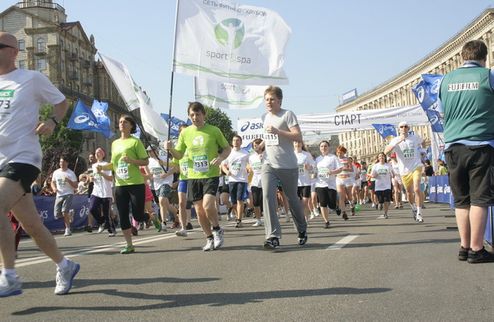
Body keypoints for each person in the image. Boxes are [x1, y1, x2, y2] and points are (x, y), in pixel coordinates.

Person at [0, 32, 79, 297]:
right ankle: (64, 265)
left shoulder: (31, 79)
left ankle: (9, 275)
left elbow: (61, 103)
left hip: (23, 156)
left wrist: (52, 123)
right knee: (32, 225)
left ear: (14, 51)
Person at [438, 39, 494, 263]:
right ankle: (477, 249)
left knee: (462, 200)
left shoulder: (445, 81)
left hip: (453, 146)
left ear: (462, 57)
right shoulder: (487, 76)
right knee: (480, 198)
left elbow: (443, 111)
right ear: (484, 57)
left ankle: (463, 246)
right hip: (480, 144)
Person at [166, 102, 231, 251]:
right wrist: (170, 149)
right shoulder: (185, 133)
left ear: (204, 115)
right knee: (199, 210)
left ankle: (217, 229)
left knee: (208, 205)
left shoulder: (214, 130)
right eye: (192, 115)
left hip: (210, 174)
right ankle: (209, 237)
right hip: (192, 176)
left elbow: (227, 148)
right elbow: (180, 154)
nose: (195, 117)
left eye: (198, 114)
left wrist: (221, 158)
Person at [260, 86, 308, 249]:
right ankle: (272, 236)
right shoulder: (265, 117)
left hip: (287, 166)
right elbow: (269, 138)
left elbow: (298, 137)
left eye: (272, 99)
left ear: (279, 100)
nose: (269, 102)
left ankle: (301, 229)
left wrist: (278, 131)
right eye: (266, 99)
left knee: (292, 199)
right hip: (269, 164)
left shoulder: (287, 114)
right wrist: (261, 145)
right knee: (267, 196)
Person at [97, 114, 152, 254]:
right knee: (122, 215)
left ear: (131, 126)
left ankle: (150, 217)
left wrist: (132, 161)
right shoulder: (115, 143)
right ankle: (129, 244)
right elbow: (114, 164)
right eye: (120, 122)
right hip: (120, 184)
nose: (121, 124)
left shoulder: (135, 142)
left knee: (138, 216)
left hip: (135, 183)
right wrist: (103, 167)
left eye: (125, 122)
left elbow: (145, 161)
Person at [384, 121, 425, 223]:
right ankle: (413, 208)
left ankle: (419, 213)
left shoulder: (414, 137)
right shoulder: (395, 140)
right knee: (409, 193)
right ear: (399, 129)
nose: (404, 128)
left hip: (416, 166)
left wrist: (423, 150)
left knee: (416, 189)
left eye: (406, 126)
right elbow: (386, 151)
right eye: (401, 127)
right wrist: (398, 142)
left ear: (408, 128)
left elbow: (423, 141)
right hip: (404, 170)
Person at [222, 135, 249, 228]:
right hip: (231, 180)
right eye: (234, 140)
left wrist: (249, 169)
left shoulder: (245, 153)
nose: (235, 142)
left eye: (238, 140)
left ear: (241, 142)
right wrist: (226, 171)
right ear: (232, 142)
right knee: (233, 201)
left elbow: (250, 164)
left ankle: (239, 219)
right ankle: (238, 215)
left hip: (242, 179)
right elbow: (223, 165)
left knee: (239, 199)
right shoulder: (228, 153)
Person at [314, 140, 343, 228]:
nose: (324, 148)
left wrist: (332, 172)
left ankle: (336, 206)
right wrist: (313, 173)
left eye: (325, 146)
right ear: (319, 148)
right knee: (323, 203)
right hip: (320, 184)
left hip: (331, 184)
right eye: (322, 146)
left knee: (331, 204)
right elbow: (314, 170)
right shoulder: (317, 159)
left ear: (328, 147)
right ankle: (326, 221)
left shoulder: (333, 157)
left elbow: (340, 169)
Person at [89, 147, 116, 237]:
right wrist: (92, 178)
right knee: (92, 208)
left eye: (100, 152)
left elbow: (110, 178)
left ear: (103, 154)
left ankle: (111, 230)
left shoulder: (107, 165)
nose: (97, 153)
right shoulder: (93, 165)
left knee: (106, 212)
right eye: (96, 152)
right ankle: (101, 222)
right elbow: (94, 176)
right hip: (96, 191)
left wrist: (101, 173)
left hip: (106, 192)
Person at [51, 156, 78, 236]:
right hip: (59, 194)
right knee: (56, 215)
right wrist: (54, 188)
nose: (61, 164)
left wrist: (69, 181)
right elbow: (53, 182)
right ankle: (69, 214)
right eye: (60, 162)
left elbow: (76, 186)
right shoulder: (56, 172)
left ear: (67, 163)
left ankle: (67, 229)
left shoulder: (70, 173)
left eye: (63, 162)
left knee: (64, 211)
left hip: (68, 193)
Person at [294, 140, 315, 222]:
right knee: (298, 203)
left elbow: (313, 166)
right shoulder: (291, 154)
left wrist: (309, 167)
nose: (297, 143)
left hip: (306, 182)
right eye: (296, 142)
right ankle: (302, 218)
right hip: (295, 182)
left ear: (301, 144)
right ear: (293, 144)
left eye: (299, 142)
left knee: (305, 202)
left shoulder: (307, 154)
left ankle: (305, 218)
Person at [371, 152, 395, 219]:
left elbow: (393, 174)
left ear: (385, 157)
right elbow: (372, 175)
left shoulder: (388, 165)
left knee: (387, 200)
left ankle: (385, 213)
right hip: (378, 186)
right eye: (380, 156)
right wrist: (374, 175)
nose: (381, 157)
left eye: (382, 156)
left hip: (387, 185)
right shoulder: (375, 166)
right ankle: (379, 203)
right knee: (381, 200)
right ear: (378, 158)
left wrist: (393, 175)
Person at [247, 138, 264, 227]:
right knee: (256, 201)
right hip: (255, 181)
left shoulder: (266, 155)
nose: (256, 147)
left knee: (265, 201)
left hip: (265, 180)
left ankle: (270, 218)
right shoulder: (251, 157)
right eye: (254, 145)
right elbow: (251, 170)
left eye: (257, 144)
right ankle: (258, 220)